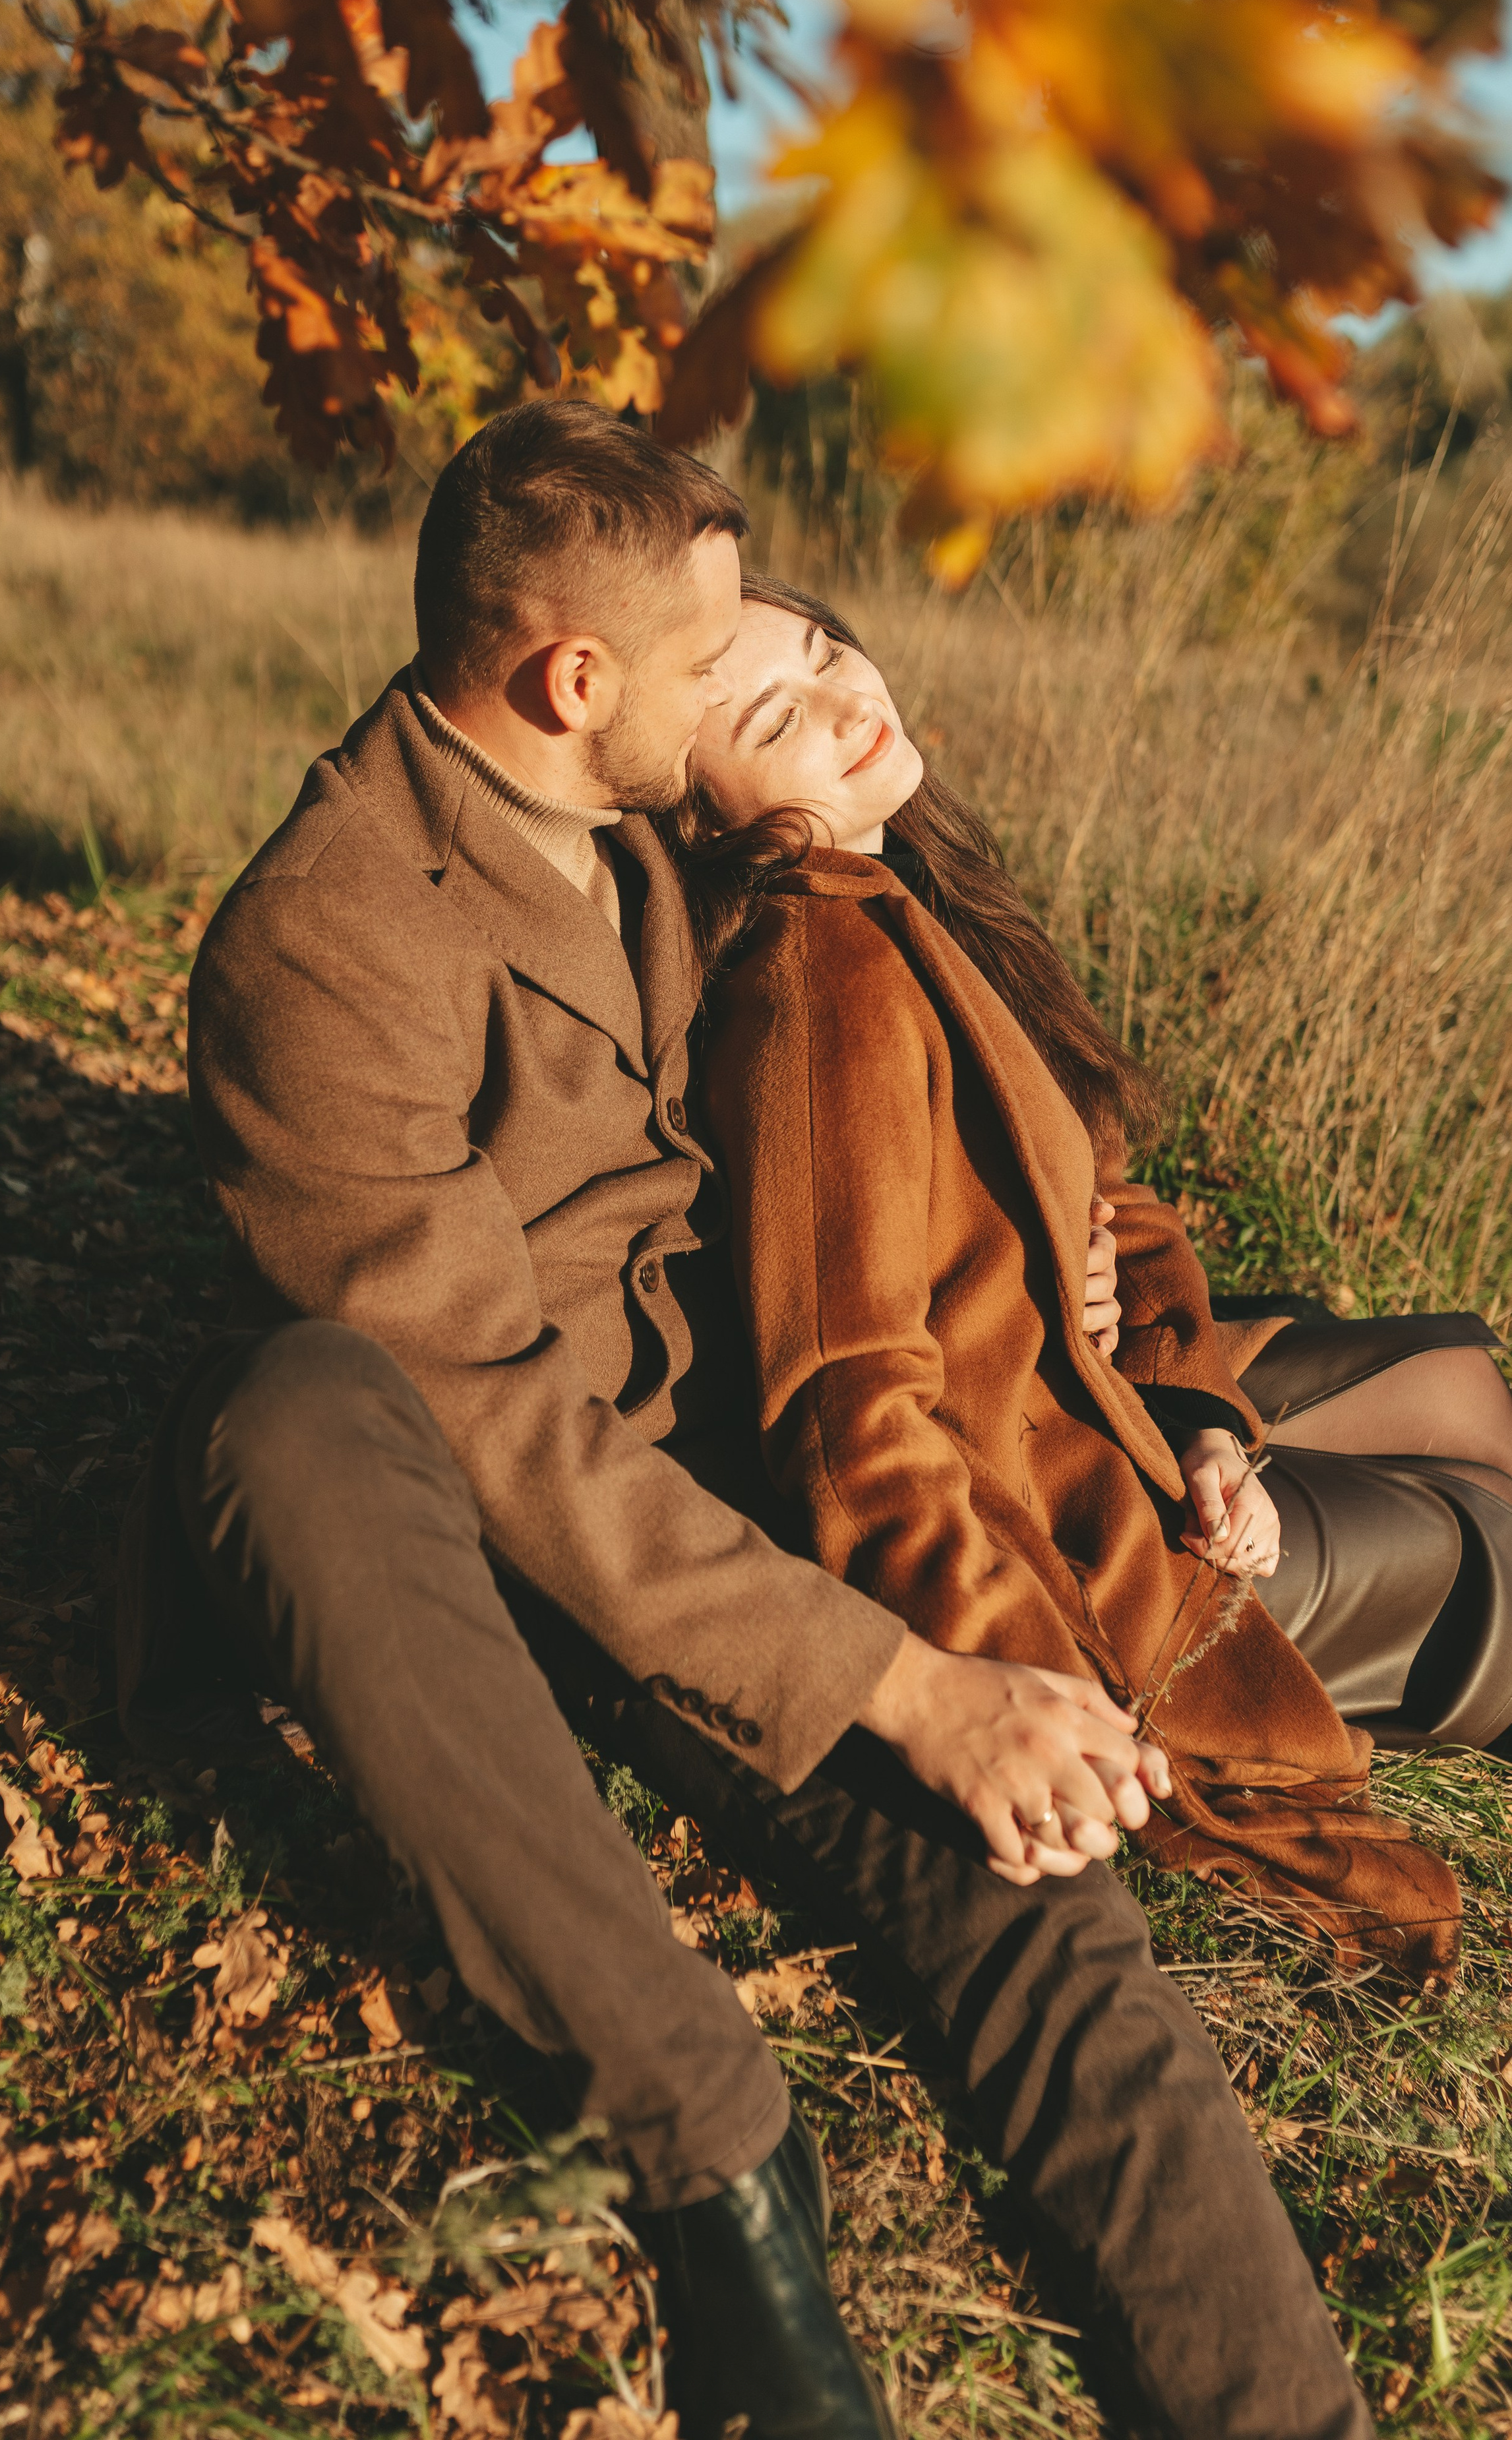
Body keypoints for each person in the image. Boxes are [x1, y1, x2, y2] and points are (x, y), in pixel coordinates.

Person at [119, 400, 1379, 2440]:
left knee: (1052, 1932)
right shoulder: (322, 939)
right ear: (576, 679)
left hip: (740, 1485)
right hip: (473, 1539)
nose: (763, 689)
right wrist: (896, 1680)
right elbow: (502, 1423)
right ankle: (713, 2156)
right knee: (293, 1410)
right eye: (719, 664)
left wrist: (1060, 1256)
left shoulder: (644, 834)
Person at [680, 570, 1512, 1974]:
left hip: (1113, 1399)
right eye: (779, 715)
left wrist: (1199, 1421)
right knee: (1490, 1541)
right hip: (1072, 1525)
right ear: (709, 822)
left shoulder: (909, 885)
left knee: (1453, 1390)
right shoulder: (815, 976)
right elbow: (847, 1405)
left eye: (826, 651)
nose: (844, 701)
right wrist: (1019, 1682)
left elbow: (1106, 1200)